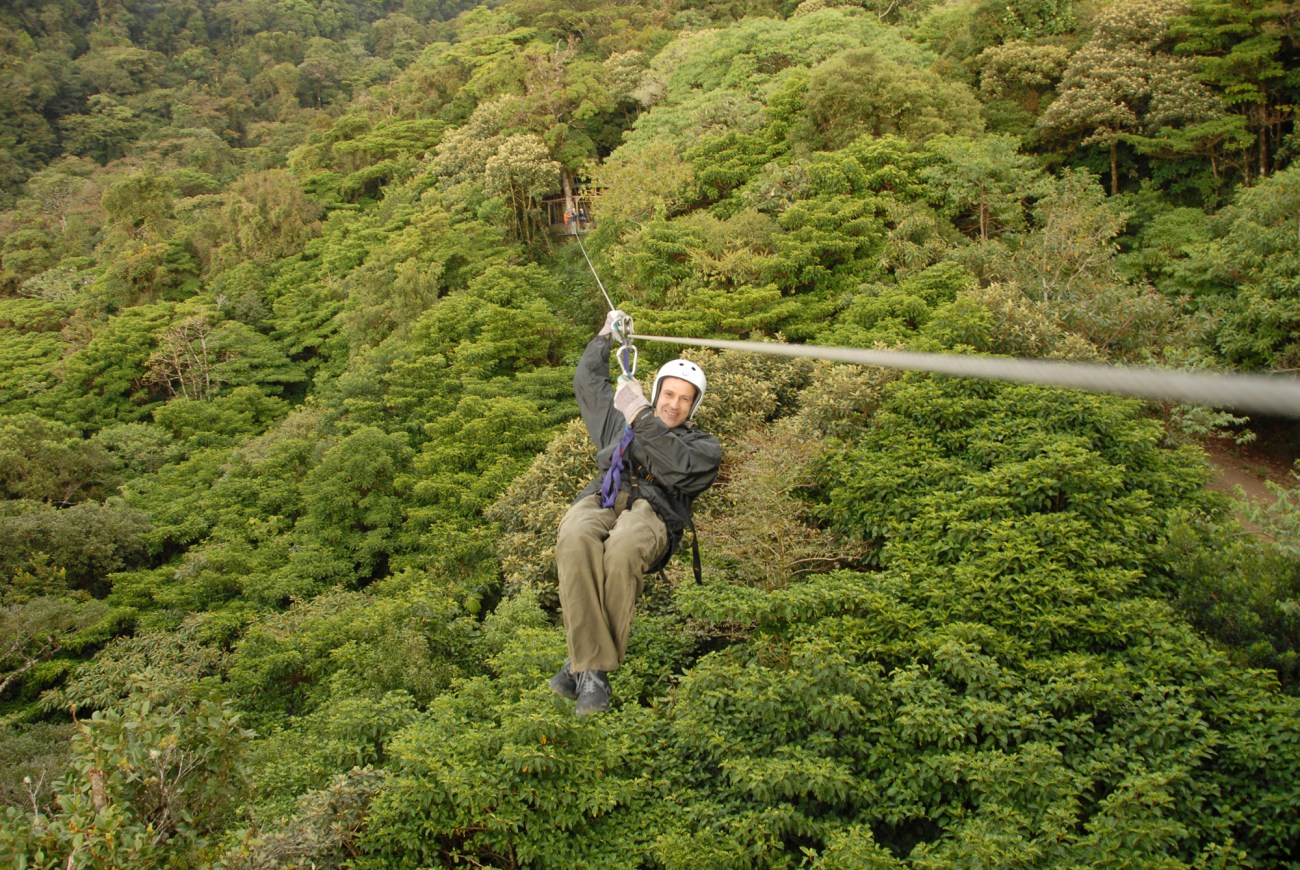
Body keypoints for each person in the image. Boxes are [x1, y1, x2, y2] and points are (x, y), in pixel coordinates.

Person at [549, 309, 722, 715]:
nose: (674, 405)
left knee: (623, 547)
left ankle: (585, 669)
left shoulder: (702, 446)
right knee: (574, 536)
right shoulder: (619, 421)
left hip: (653, 514)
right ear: (657, 390)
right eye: (669, 394)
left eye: (685, 399)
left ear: (694, 406)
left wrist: (642, 414)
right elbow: (587, 384)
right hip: (606, 497)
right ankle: (592, 672)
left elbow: (679, 467)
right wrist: (604, 338)